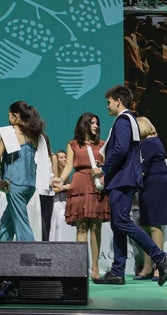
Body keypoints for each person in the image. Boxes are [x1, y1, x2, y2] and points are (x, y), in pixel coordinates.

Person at [91, 85, 167, 286]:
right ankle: (117, 272)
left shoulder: (122, 120)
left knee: (121, 222)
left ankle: (160, 256)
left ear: (118, 101)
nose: (107, 106)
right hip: (124, 178)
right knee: (117, 225)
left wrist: (104, 169)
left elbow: (120, 149)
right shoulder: (130, 121)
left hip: (122, 179)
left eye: (109, 102)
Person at [55, 112, 110, 280]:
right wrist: (60, 179)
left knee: (96, 227)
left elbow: (108, 165)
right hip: (79, 183)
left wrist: (103, 176)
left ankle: (95, 267)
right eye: (92, 123)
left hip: (97, 184)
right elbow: (68, 166)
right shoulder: (72, 144)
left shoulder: (102, 144)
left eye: (97, 123)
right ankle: (80, 267)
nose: (96, 126)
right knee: (81, 227)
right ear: (84, 124)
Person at [0, 101, 47, 241]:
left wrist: (2, 169)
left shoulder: (10, 132)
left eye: (9, 115)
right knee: (7, 222)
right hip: (29, 184)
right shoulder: (34, 135)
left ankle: (30, 259)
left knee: (21, 224)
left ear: (15, 115)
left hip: (14, 183)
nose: (8, 118)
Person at [133, 117, 167, 281]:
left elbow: (143, 168)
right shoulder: (149, 143)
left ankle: (158, 267)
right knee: (146, 226)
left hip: (155, 185)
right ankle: (147, 267)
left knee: (155, 226)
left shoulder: (149, 143)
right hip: (148, 186)